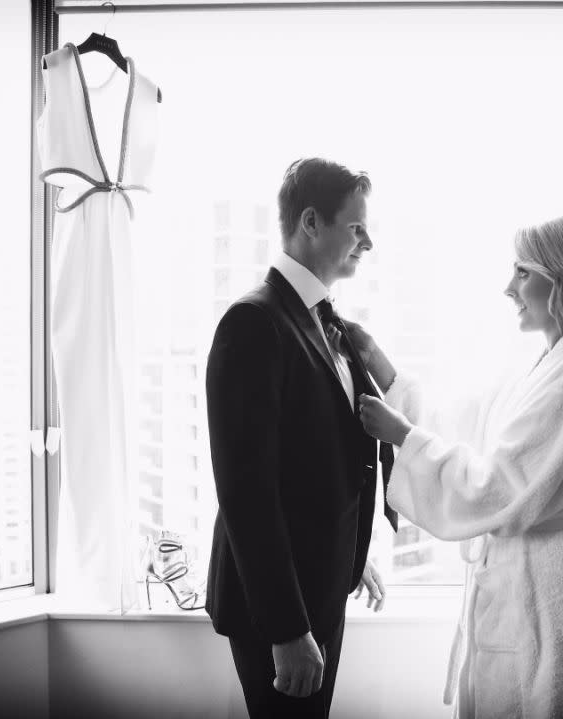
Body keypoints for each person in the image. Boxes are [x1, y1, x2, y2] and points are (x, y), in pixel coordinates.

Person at [349, 216, 563, 718]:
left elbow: (496, 488)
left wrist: (402, 437)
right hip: (521, 596)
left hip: (549, 609)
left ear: (561, 277)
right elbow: (465, 431)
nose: (508, 287)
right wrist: (380, 366)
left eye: (522, 272)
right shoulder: (545, 365)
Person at [205, 158, 392, 718]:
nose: (368, 242)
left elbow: (317, 464)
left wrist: (350, 555)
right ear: (311, 222)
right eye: (357, 228)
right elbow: (248, 492)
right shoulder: (254, 323)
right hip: (279, 611)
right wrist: (286, 630)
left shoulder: (320, 320)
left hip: (319, 584)